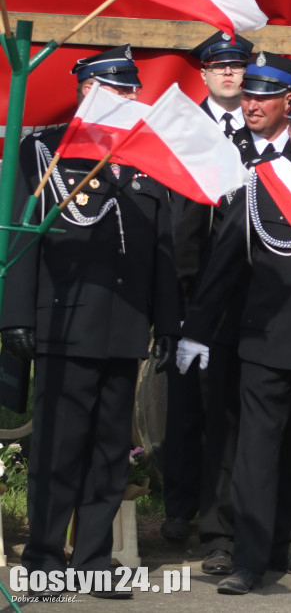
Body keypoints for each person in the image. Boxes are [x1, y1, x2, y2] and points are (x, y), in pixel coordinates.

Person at [0, 45, 180, 598]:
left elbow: (163, 248)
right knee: (57, 448)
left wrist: (168, 324)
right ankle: (45, 556)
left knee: (108, 453)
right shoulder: (43, 150)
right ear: (88, 91)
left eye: (132, 92)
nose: (129, 100)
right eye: (118, 91)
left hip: (125, 327)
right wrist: (14, 317)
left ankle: (94, 560)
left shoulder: (147, 156)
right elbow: (18, 233)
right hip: (61, 323)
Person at [178, 80, 291, 597]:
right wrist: (197, 330)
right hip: (265, 342)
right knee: (255, 459)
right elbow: (225, 266)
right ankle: (249, 561)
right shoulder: (262, 183)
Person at [159, 30, 255, 553]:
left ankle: (226, 514)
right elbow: (171, 223)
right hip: (189, 291)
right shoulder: (182, 129)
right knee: (185, 411)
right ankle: (179, 508)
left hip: (241, 294)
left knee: (230, 411)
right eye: (218, 67)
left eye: (236, 66)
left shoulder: (262, 132)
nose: (227, 74)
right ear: (202, 74)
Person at [238, 50, 291, 165]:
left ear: (288, 101)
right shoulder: (225, 147)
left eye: (262, 98)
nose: (252, 107)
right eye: (247, 96)